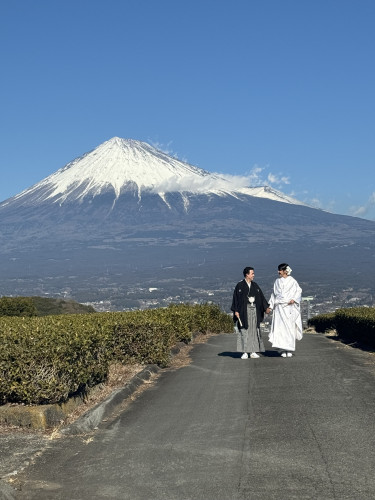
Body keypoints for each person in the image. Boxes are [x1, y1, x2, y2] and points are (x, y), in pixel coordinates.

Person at [231, 266, 270, 359]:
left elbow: (261, 297)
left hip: (254, 311)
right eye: (252, 273)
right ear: (247, 274)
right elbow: (235, 299)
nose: (254, 275)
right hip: (244, 311)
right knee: (244, 331)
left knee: (254, 331)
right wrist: (236, 310)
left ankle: (253, 351)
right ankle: (244, 352)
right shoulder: (239, 285)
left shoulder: (255, 285)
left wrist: (266, 307)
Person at [268, 263, 303, 357]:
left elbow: (298, 291)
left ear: (285, 271)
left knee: (289, 327)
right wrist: (270, 306)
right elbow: (274, 295)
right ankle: (282, 349)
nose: (278, 272)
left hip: (289, 307)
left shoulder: (292, 281)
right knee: (280, 329)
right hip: (279, 308)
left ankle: (289, 349)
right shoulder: (277, 281)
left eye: (280, 270)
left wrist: (294, 299)